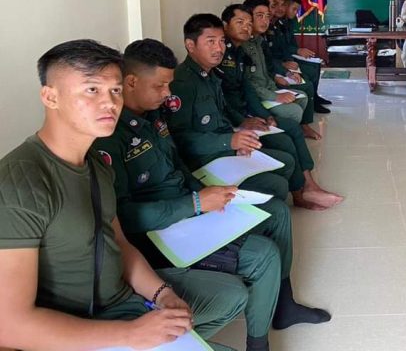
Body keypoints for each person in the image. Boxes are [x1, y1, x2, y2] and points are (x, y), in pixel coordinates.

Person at [0, 40, 247, 351]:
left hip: (121, 302)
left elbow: (118, 243)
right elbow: (9, 327)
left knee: (230, 295)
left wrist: (162, 294)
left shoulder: (95, 164)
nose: (109, 103)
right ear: (51, 97)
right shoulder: (20, 182)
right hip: (76, 326)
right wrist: (130, 335)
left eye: (115, 90)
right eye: (92, 90)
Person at [96, 39, 331, 351]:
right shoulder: (109, 137)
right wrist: (195, 203)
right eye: (160, 86)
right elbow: (123, 217)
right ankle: (258, 344)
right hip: (160, 236)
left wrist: (204, 193)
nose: (167, 93)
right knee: (263, 255)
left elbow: (177, 165)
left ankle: (284, 303)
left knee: (276, 212)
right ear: (131, 82)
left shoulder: (153, 116)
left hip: (188, 212)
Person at [219, 4, 342, 209]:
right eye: (241, 22)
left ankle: (308, 187)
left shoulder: (240, 51)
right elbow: (228, 99)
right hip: (236, 121)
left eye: (249, 23)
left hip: (248, 111)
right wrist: (249, 118)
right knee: (289, 127)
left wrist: (264, 115)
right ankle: (303, 191)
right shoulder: (224, 57)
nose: (247, 27)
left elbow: (249, 87)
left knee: (293, 119)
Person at [165, 14, 297, 200]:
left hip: (223, 149)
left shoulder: (211, 74)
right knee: (278, 184)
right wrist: (229, 142)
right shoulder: (182, 83)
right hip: (203, 160)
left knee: (286, 162)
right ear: (190, 45)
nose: (219, 48)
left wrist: (238, 136)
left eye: (221, 41)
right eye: (211, 42)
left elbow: (223, 112)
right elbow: (179, 138)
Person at [265, 0, 330, 115]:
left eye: (282, 5)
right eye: (294, 9)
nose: (280, 8)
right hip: (279, 62)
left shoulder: (283, 23)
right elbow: (276, 51)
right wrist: (290, 58)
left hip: (286, 58)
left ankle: (315, 97)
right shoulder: (271, 26)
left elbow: (289, 44)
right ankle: (312, 103)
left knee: (315, 64)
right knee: (309, 72)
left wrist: (296, 52)